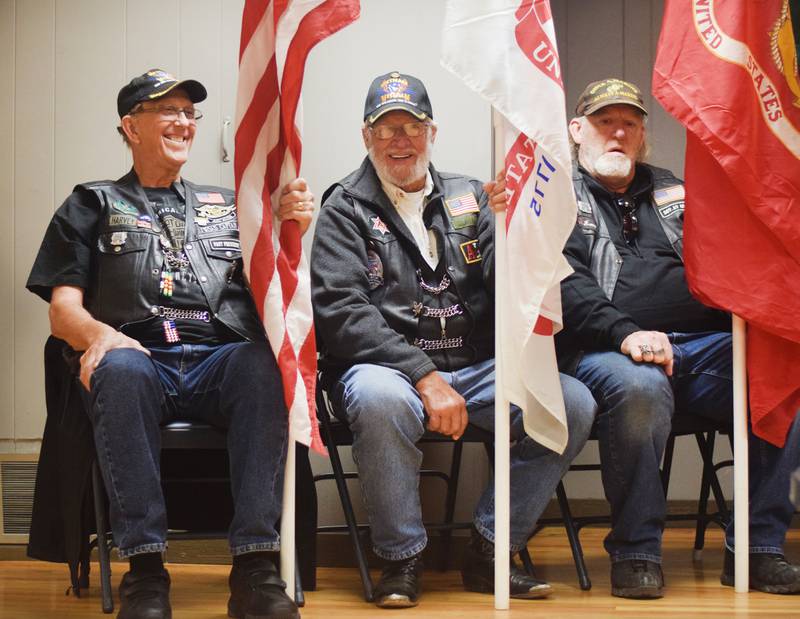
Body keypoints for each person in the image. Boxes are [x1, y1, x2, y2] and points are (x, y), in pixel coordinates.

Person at [26, 69, 314, 619]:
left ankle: (255, 567)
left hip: (216, 360)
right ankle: (145, 572)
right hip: (141, 362)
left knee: (261, 366)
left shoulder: (229, 204)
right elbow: (63, 312)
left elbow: (276, 288)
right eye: (168, 111)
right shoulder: (91, 203)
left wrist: (288, 226)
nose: (183, 122)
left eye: (190, 113)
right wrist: (103, 338)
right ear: (130, 127)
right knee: (121, 368)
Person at [310, 71, 596, 608]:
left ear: (432, 132)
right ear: (366, 136)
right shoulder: (343, 208)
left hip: (476, 365)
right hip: (388, 370)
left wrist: (513, 229)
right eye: (387, 127)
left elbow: (512, 285)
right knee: (376, 400)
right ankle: (400, 558)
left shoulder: (474, 197)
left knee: (572, 403)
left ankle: (490, 548)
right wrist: (423, 374)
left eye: (413, 126)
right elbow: (341, 314)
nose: (401, 139)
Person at [558, 77, 800, 599]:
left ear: (643, 133)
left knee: (780, 370)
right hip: (602, 351)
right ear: (577, 130)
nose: (618, 133)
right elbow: (565, 288)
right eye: (605, 122)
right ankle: (637, 551)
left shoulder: (677, 188)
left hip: (700, 345)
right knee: (641, 385)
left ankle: (757, 549)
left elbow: (732, 254)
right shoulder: (554, 196)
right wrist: (627, 333)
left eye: (629, 123)